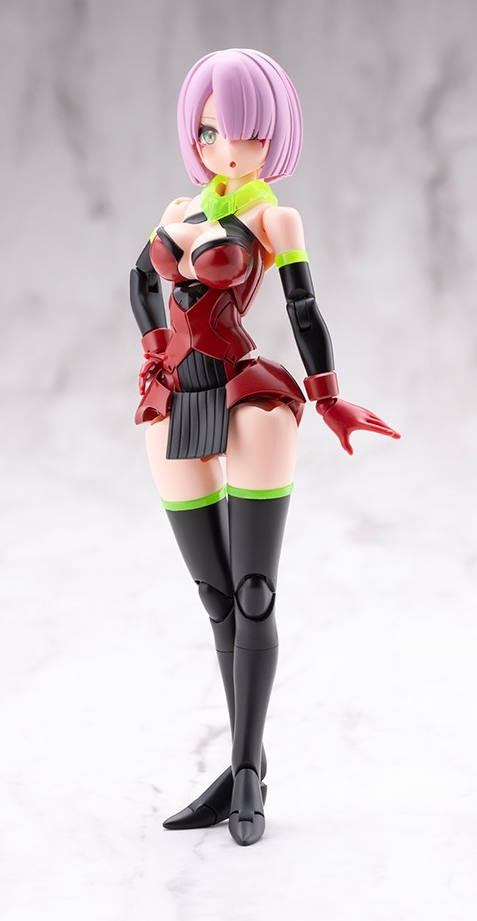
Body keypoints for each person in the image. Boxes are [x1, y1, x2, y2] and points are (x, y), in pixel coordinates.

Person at [130, 48, 399, 845]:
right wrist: (153, 350)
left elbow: (302, 309)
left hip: (249, 396)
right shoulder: (178, 207)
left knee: (252, 593)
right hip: (174, 400)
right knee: (215, 598)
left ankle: (246, 773)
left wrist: (327, 395)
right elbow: (140, 281)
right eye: (209, 132)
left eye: (244, 132)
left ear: (273, 135)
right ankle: (242, 765)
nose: (225, 149)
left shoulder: (274, 219)